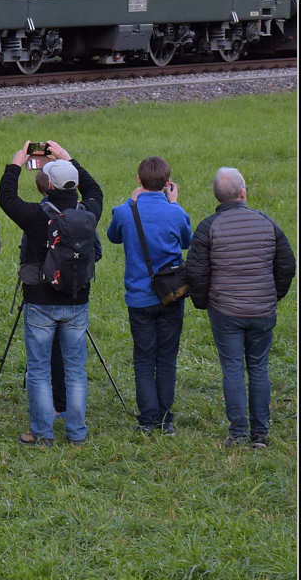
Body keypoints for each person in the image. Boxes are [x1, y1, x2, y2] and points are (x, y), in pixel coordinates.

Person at [0, 139, 102, 446]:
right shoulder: (88, 212)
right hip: (76, 299)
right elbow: (95, 190)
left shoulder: (35, 215)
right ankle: (77, 433)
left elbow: (6, 197)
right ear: (74, 185)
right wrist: (72, 160)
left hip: (40, 301)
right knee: (75, 370)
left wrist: (16, 163)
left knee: (40, 370)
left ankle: (42, 433)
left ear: (49, 188)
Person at [186, 168, 295, 449]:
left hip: (226, 311)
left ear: (217, 197)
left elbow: (196, 272)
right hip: (262, 310)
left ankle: (237, 433)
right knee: (259, 368)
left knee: (232, 368)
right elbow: (287, 265)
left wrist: (202, 302)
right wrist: (272, 296)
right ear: (243, 192)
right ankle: (260, 433)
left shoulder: (209, 227)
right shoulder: (267, 222)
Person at [106, 156, 193, 434]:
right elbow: (187, 241)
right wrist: (174, 204)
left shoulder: (124, 211)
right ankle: (166, 421)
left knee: (143, 358)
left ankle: (147, 420)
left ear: (138, 180)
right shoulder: (175, 212)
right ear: (168, 183)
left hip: (139, 297)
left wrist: (132, 203)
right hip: (171, 294)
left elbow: (113, 237)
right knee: (167, 357)